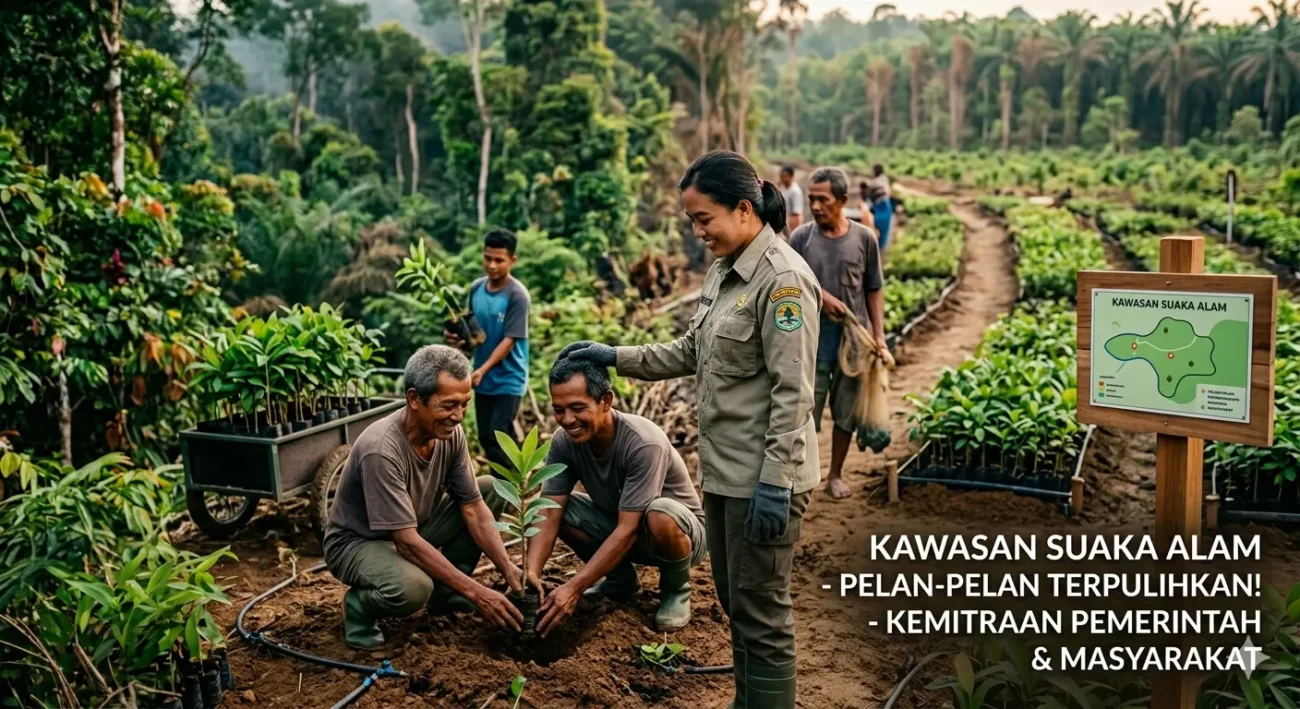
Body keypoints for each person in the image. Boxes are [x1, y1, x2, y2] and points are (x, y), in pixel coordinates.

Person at [561, 150, 821, 708]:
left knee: (763, 611)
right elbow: (689, 350)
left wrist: (776, 482)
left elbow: (794, 392)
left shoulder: (782, 284)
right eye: (692, 221)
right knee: (735, 600)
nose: (698, 232)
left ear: (745, 210)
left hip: (765, 479)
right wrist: (614, 354)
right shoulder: (726, 271)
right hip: (727, 473)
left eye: (705, 219)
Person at [323, 345, 525, 649]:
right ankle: (359, 608)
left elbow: (471, 507)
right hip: (359, 543)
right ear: (414, 399)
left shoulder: (448, 434)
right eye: (448, 405)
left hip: (411, 527)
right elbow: (405, 541)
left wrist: (508, 568)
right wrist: (477, 593)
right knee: (415, 588)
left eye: (465, 404)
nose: (458, 417)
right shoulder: (381, 450)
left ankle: (447, 594)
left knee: (488, 488)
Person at [522, 356, 707, 637]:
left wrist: (574, 588)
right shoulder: (564, 441)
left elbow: (629, 529)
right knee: (547, 505)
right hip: (621, 526)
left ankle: (675, 590)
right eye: (559, 410)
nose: (567, 419)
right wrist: (531, 575)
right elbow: (549, 513)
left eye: (577, 408)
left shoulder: (643, 443)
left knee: (660, 513)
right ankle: (621, 579)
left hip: (678, 535)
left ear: (605, 401)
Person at [789, 167, 886, 500]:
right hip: (810, 341)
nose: (815, 206)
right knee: (804, 410)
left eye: (823, 200)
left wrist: (879, 337)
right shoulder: (801, 238)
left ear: (842, 201)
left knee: (845, 410)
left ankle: (835, 475)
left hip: (852, 342)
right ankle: (803, 476)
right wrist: (821, 296)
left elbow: (874, 288)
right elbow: (788, 285)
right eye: (812, 199)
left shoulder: (864, 239)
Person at [446, 228, 532, 472]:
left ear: (512, 260)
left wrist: (482, 369)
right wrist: (457, 339)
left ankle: (516, 486)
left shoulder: (517, 296)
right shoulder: (476, 289)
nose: (492, 265)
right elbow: (474, 333)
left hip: (508, 378)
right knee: (486, 437)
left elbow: (509, 341)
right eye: (487, 258)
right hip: (481, 377)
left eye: (499, 260)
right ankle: (503, 488)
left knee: (498, 436)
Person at [867, 164, 894, 251]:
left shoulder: (878, 181)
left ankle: (879, 247)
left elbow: (875, 193)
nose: (872, 172)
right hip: (882, 207)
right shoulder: (883, 179)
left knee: (879, 227)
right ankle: (880, 246)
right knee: (882, 228)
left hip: (882, 206)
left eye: (873, 170)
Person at [779, 165, 804, 235]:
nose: (783, 179)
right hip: (784, 225)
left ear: (791, 176)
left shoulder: (795, 191)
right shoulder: (784, 188)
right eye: (782, 176)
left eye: (785, 176)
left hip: (791, 227)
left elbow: (796, 215)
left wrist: (792, 232)